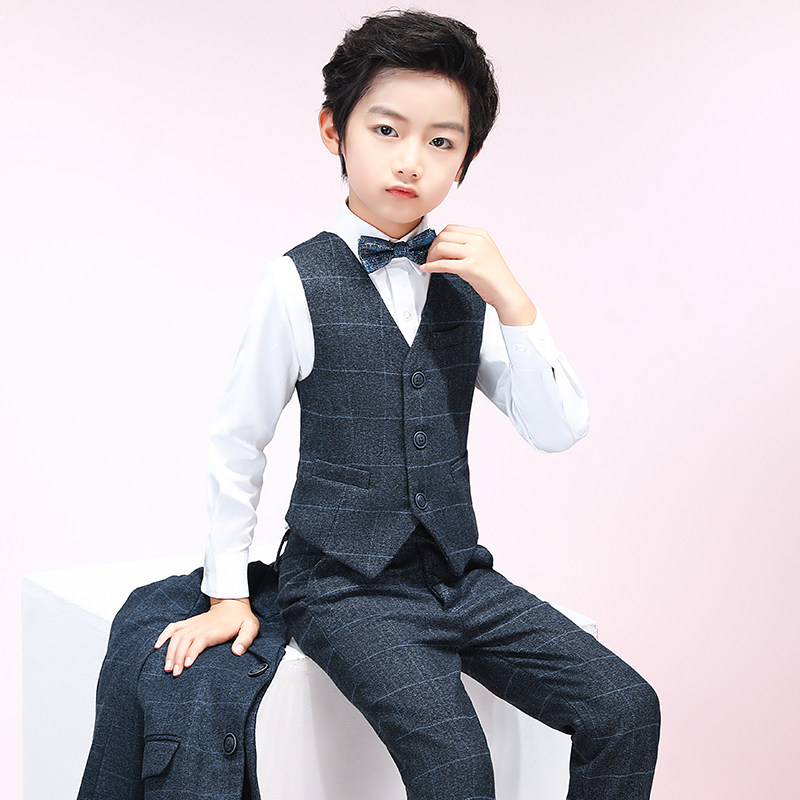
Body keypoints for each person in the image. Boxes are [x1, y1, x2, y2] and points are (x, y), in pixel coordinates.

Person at [155, 9, 660, 799]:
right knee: (458, 769)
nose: (411, 161)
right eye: (387, 130)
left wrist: (514, 300)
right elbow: (238, 440)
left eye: (441, 142)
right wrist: (227, 591)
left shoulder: (467, 282)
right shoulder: (295, 281)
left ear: (468, 157)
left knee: (626, 708)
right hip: (343, 586)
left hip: (459, 577)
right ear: (335, 129)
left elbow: (556, 429)